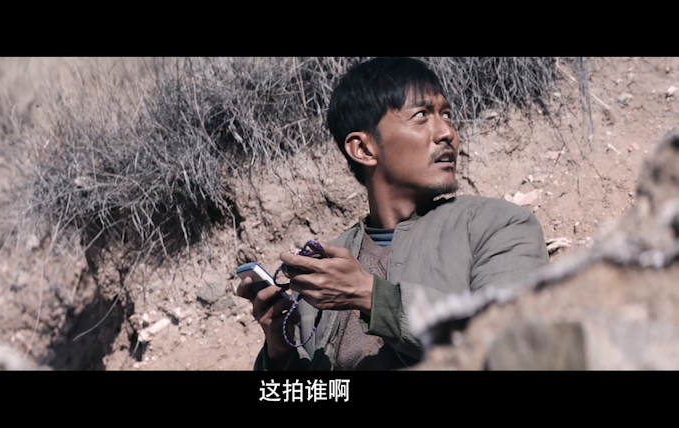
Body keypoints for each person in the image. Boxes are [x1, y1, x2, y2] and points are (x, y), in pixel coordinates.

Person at [236, 57, 551, 370]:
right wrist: (279, 353)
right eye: (421, 115)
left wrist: (370, 296)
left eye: (447, 114)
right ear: (363, 149)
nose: (447, 133)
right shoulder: (328, 267)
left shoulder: (496, 226)